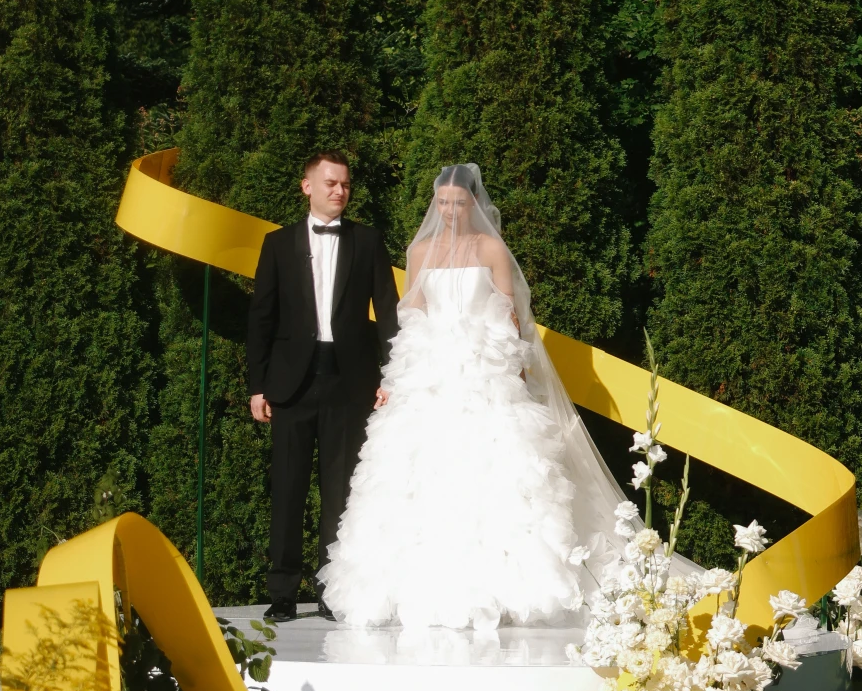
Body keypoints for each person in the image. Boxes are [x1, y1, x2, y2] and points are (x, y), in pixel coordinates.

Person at [319, 163, 631, 633]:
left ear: (474, 202)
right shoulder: (419, 251)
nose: (450, 210)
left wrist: (509, 364)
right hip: (431, 374)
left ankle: (503, 590)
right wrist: (397, 377)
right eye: (442, 202)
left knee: (492, 469)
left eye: (458, 202)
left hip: (484, 368)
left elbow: (510, 312)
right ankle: (417, 589)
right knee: (421, 472)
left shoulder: (490, 248)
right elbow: (413, 315)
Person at [246, 149, 400, 620]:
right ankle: (283, 591)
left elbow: (388, 313)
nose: (340, 191)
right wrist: (257, 386)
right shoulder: (277, 244)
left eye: (346, 184)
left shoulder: (368, 241)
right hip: (290, 383)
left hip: (351, 381)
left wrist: (393, 375)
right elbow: (262, 318)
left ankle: (333, 591)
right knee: (288, 487)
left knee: (340, 491)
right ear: (307, 186)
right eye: (331, 183)